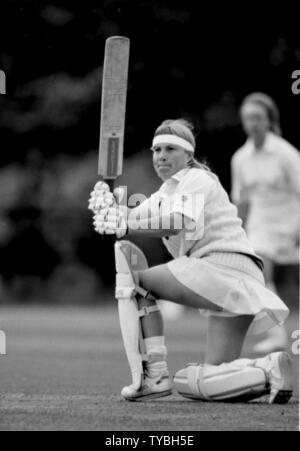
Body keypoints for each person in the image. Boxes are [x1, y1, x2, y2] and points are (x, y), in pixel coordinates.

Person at [89, 119, 293, 404]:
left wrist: (123, 224)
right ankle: (266, 369)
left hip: (221, 268)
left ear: (188, 154)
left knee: (137, 283)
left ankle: (155, 376)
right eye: (156, 149)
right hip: (240, 278)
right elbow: (136, 216)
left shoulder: (195, 179)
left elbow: (177, 222)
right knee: (210, 383)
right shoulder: (165, 193)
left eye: (170, 149)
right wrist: (108, 210)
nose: (161, 155)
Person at [231, 93, 300, 353]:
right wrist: (238, 232)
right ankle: (277, 334)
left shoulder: (285, 153)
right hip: (260, 227)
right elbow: (241, 201)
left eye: (258, 118)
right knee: (260, 274)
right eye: (248, 118)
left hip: (291, 223)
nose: (253, 123)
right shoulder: (240, 158)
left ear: (269, 120)